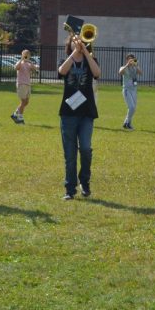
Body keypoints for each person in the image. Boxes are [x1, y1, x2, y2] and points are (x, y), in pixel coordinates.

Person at [58, 32, 101, 199]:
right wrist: (74, 54)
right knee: (69, 153)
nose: (79, 44)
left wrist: (86, 54)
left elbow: (97, 73)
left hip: (86, 113)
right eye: (76, 42)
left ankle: (85, 181)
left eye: (82, 43)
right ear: (70, 45)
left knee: (85, 148)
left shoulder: (92, 61)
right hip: (68, 113)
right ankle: (70, 189)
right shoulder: (65, 61)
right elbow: (62, 71)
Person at [11, 49, 35, 124]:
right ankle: (20, 118)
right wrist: (21, 59)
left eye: (28, 54)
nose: (26, 56)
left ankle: (15, 114)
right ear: (22, 54)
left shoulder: (29, 64)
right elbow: (16, 68)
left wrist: (29, 61)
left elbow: (34, 69)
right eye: (25, 54)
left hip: (28, 84)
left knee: (26, 102)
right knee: (23, 101)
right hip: (21, 84)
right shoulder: (20, 63)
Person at [118, 54, 141, 130]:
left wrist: (136, 65)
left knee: (133, 108)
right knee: (131, 107)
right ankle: (127, 123)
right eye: (130, 59)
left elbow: (140, 73)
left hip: (134, 90)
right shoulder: (123, 67)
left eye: (132, 59)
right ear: (127, 60)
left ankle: (127, 123)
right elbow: (120, 72)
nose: (131, 61)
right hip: (127, 90)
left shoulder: (134, 68)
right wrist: (127, 65)